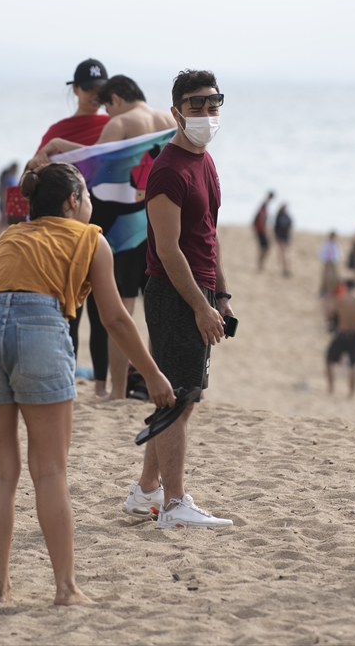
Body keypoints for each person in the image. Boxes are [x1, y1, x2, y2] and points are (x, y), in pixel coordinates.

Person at [0, 162, 174, 605]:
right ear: (72, 201)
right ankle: (65, 588)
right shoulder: (91, 238)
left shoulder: (10, 236)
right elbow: (115, 318)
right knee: (50, 471)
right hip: (39, 327)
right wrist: (152, 374)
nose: (91, 205)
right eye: (88, 198)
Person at [122, 69, 234, 529]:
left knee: (179, 398)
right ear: (176, 113)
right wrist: (199, 307)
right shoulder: (167, 170)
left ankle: (145, 491)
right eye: (196, 107)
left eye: (213, 105)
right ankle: (173, 504)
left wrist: (220, 295)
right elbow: (167, 251)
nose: (206, 115)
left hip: (200, 290)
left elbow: (208, 236)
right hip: (173, 293)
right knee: (178, 401)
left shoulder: (204, 161)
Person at [32, 73, 175, 400]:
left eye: (108, 108)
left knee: (122, 312)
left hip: (125, 230)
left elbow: (95, 161)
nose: (108, 116)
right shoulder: (168, 119)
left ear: (116, 100)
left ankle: (119, 390)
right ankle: (164, 381)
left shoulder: (121, 121)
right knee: (158, 311)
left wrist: (58, 148)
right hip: (158, 224)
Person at [29, 60, 111, 387]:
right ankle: (68, 379)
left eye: (101, 89)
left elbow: (116, 159)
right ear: (74, 89)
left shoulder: (113, 127)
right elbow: (34, 177)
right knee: (70, 305)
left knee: (104, 310)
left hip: (107, 221)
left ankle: (103, 384)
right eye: (89, 89)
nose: (95, 95)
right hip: (67, 226)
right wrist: (36, 164)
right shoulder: (57, 131)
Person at [325, 278, 355, 397]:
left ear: (345, 286)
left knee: (329, 360)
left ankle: (331, 388)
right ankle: (351, 393)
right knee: (354, 365)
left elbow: (330, 314)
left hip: (342, 333)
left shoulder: (341, 300)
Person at [253, 191, 274, 272]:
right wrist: (265, 228)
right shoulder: (264, 205)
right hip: (261, 229)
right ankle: (260, 265)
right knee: (264, 247)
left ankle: (260, 265)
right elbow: (262, 217)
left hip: (261, 229)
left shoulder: (265, 205)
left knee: (264, 247)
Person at [0, 162, 19, 230]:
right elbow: (5, 190)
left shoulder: (10, 177)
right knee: (5, 218)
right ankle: (0, 235)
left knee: (4, 219)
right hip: (7, 201)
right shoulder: (9, 178)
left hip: (7, 201)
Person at [319, 231, 341, 297]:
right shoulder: (327, 244)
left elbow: (338, 254)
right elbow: (322, 252)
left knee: (334, 277)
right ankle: (324, 290)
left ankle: (333, 291)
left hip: (334, 262)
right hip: (327, 262)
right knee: (326, 277)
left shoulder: (336, 244)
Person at [273, 202, 293, 277]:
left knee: (288, 253)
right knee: (283, 254)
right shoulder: (279, 216)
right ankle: (284, 268)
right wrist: (277, 237)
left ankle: (288, 268)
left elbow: (290, 224)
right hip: (281, 237)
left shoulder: (287, 216)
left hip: (286, 236)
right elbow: (276, 227)